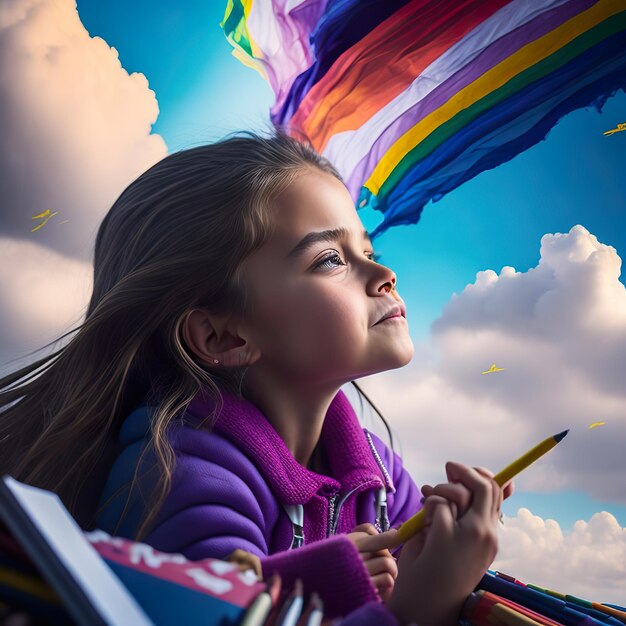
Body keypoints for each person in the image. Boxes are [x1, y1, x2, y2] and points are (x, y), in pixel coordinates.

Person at [0, 130, 512, 625]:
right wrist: (418, 609)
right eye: (330, 259)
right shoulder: (179, 470)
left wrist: (453, 551)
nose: (384, 275)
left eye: (369, 253)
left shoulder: (382, 477)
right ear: (224, 336)